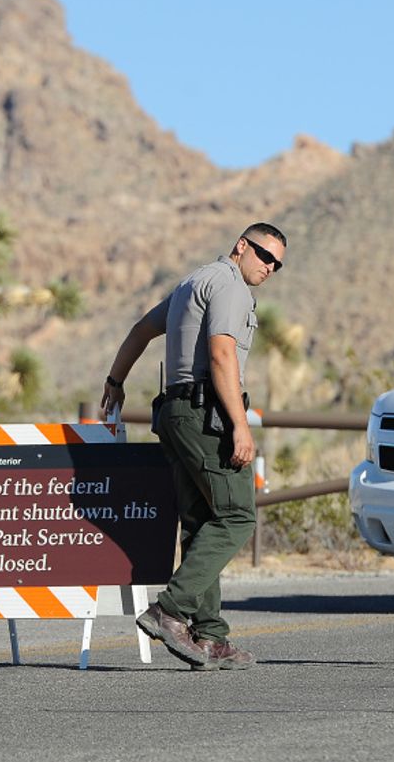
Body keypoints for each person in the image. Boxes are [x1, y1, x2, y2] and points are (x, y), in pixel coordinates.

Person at [100, 222, 286, 670]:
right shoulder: (229, 286)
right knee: (238, 515)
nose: (269, 267)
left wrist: (114, 380)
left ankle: (209, 637)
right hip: (207, 415)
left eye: (277, 263)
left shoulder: (191, 284)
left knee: (201, 522)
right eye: (264, 255)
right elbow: (222, 355)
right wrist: (240, 427)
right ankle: (171, 610)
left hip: (174, 414)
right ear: (242, 245)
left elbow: (141, 330)